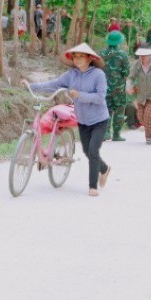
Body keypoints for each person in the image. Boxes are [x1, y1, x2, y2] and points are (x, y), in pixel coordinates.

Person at [30, 43, 110, 196]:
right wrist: (33, 86)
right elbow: (53, 84)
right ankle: (105, 169)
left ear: (90, 58)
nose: (77, 59)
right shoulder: (71, 75)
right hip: (83, 120)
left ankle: (92, 186)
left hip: (99, 120)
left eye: (81, 56)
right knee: (87, 151)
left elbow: (100, 97)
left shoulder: (98, 75)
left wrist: (80, 95)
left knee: (93, 150)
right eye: (75, 56)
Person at [100, 31, 130, 141]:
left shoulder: (101, 54)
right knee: (119, 110)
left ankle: (106, 133)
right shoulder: (123, 55)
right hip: (119, 88)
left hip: (104, 87)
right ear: (119, 42)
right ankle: (116, 134)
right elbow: (126, 72)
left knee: (105, 109)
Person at [127, 47, 151, 144]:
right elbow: (131, 77)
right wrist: (129, 87)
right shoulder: (137, 65)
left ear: (150, 55)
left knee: (148, 115)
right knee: (141, 117)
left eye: (144, 55)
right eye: (140, 55)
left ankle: (149, 138)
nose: (142, 57)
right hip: (141, 96)